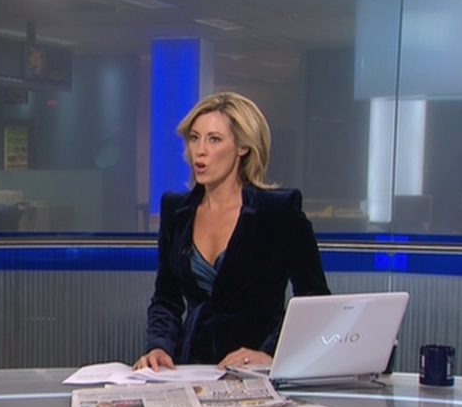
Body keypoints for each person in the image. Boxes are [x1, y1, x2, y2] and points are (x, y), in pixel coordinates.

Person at [134, 92, 329, 372]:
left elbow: (313, 299)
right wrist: (159, 347)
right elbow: (166, 299)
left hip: (257, 370)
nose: (200, 151)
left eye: (214, 139)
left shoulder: (278, 211)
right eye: (194, 138)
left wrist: (271, 353)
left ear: (242, 147)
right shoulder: (176, 211)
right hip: (192, 369)